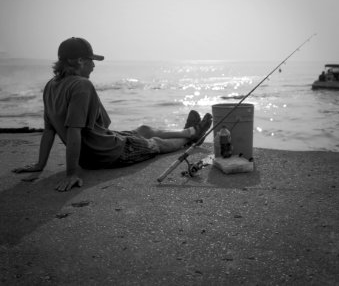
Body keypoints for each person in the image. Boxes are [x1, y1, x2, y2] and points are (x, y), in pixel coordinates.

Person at [12, 37, 212, 191]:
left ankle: (190, 131)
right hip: (108, 154)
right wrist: (71, 173)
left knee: (143, 129)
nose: (94, 65)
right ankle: (191, 139)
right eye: (91, 60)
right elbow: (74, 131)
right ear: (80, 61)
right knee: (156, 143)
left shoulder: (50, 85)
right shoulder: (82, 85)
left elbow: (49, 131)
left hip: (95, 150)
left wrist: (40, 164)